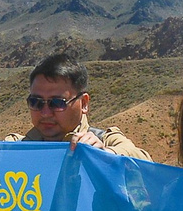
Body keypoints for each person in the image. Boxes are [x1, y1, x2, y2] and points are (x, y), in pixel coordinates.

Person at [15, 54, 149, 157]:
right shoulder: (16, 147)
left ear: (84, 103)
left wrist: (104, 155)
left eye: (56, 103)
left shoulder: (105, 141)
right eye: (36, 102)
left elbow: (142, 161)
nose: (45, 113)